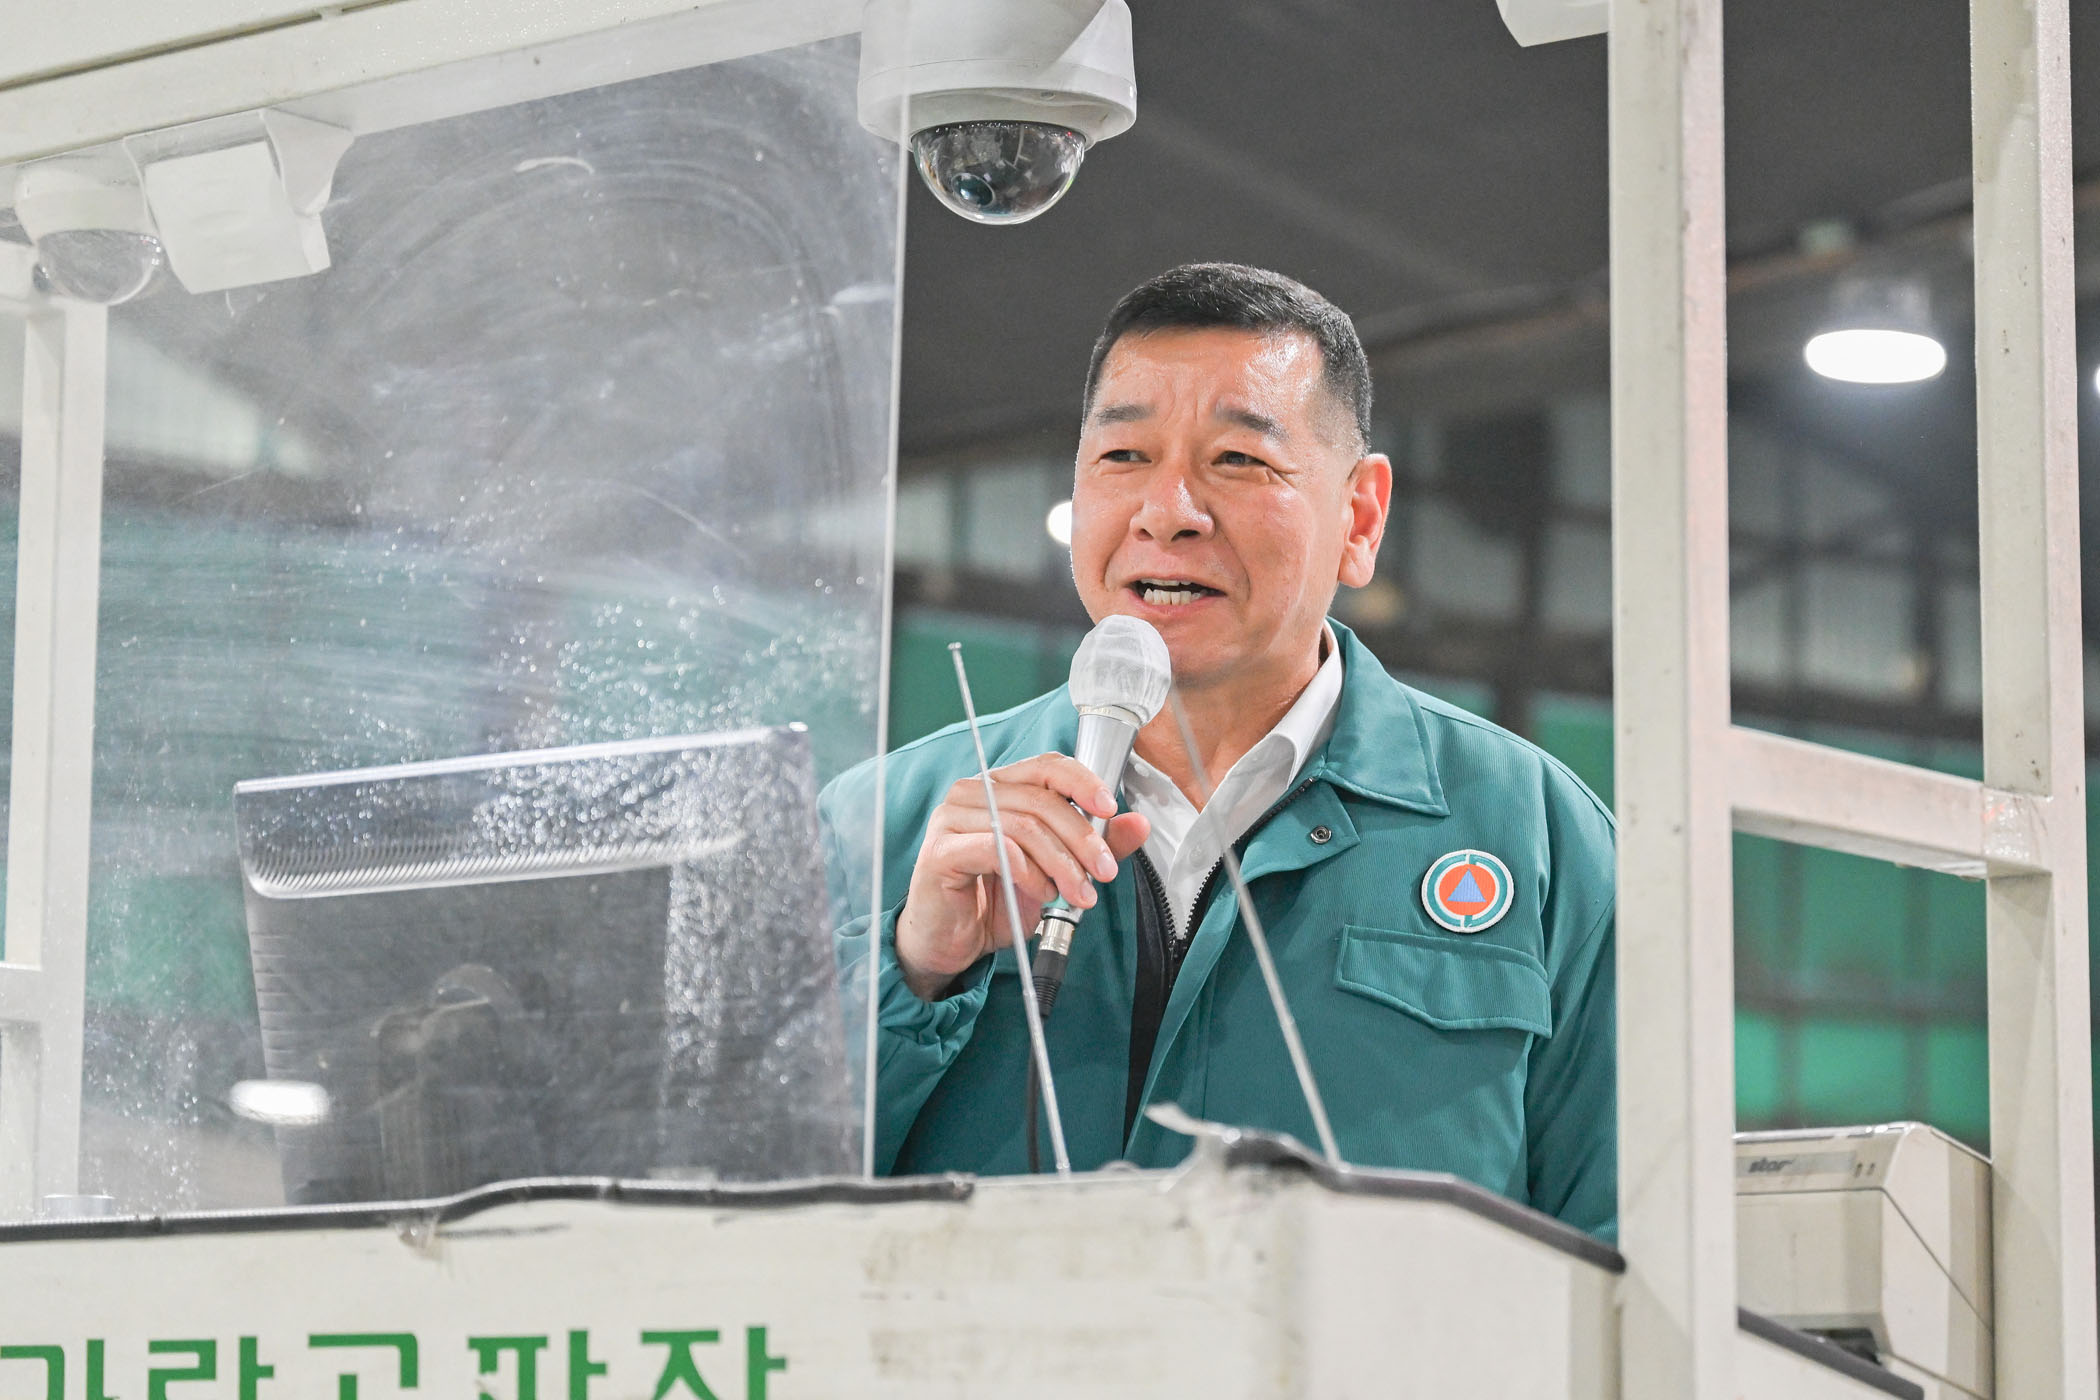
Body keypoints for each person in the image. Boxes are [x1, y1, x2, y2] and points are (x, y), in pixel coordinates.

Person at [822, 263, 1617, 1239]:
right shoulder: (882, 823)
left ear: (1360, 517)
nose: (1167, 511)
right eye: (1123, 455)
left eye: (1238, 459)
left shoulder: (1537, 838)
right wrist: (914, 972)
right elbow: (730, 1217)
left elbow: (1632, 1248)